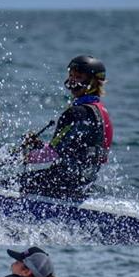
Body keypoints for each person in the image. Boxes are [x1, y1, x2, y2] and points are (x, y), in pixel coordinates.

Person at [19, 55, 113, 196]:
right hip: (84, 183)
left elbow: (51, 154)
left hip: (61, 182)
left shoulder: (76, 113)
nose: (72, 81)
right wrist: (39, 146)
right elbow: (70, 149)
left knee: (7, 184)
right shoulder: (100, 111)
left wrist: (21, 156)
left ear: (93, 82)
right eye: (71, 75)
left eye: (79, 77)